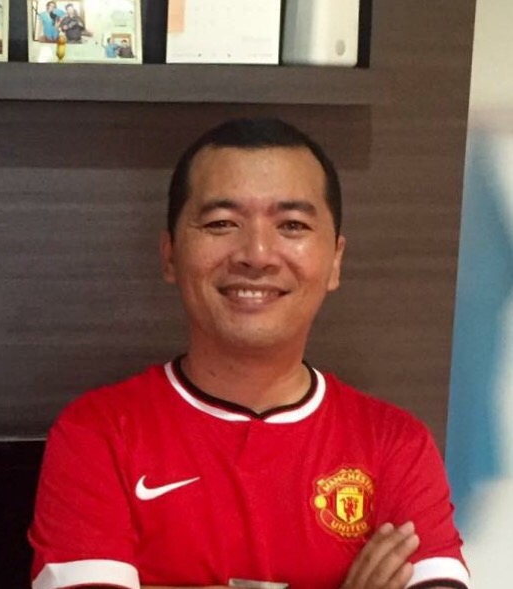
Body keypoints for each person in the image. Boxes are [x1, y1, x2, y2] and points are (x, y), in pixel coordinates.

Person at [29, 118, 470, 589]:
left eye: (292, 225)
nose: (257, 254)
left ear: (335, 260)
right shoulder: (97, 434)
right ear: (170, 254)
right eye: (221, 223)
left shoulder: (395, 445)